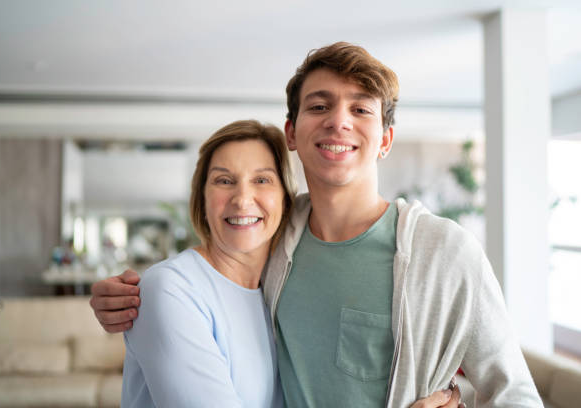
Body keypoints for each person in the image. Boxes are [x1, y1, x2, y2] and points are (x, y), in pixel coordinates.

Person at [91, 43, 542, 408]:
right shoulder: (276, 239)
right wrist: (127, 297)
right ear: (292, 132)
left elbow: (515, 395)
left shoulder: (444, 252)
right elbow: (209, 273)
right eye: (320, 104)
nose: (338, 120)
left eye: (361, 109)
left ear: (384, 139)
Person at [120, 120, 295, 407]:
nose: (242, 200)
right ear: (202, 199)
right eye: (224, 181)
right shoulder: (170, 289)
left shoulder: (277, 294)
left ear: (286, 199)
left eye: (261, 180)